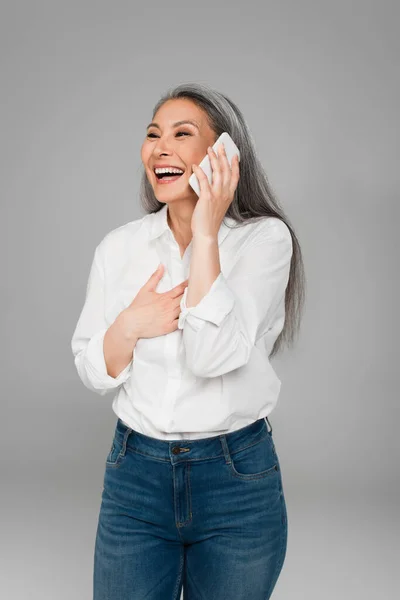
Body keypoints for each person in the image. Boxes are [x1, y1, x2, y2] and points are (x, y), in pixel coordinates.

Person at [71, 82, 306, 600]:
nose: (160, 147)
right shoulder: (119, 248)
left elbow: (211, 355)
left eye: (182, 133)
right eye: (153, 134)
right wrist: (130, 324)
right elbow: (91, 368)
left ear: (222, 154)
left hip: (235, 480)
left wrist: (205, 233)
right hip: (135, 477)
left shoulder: (264, 240)